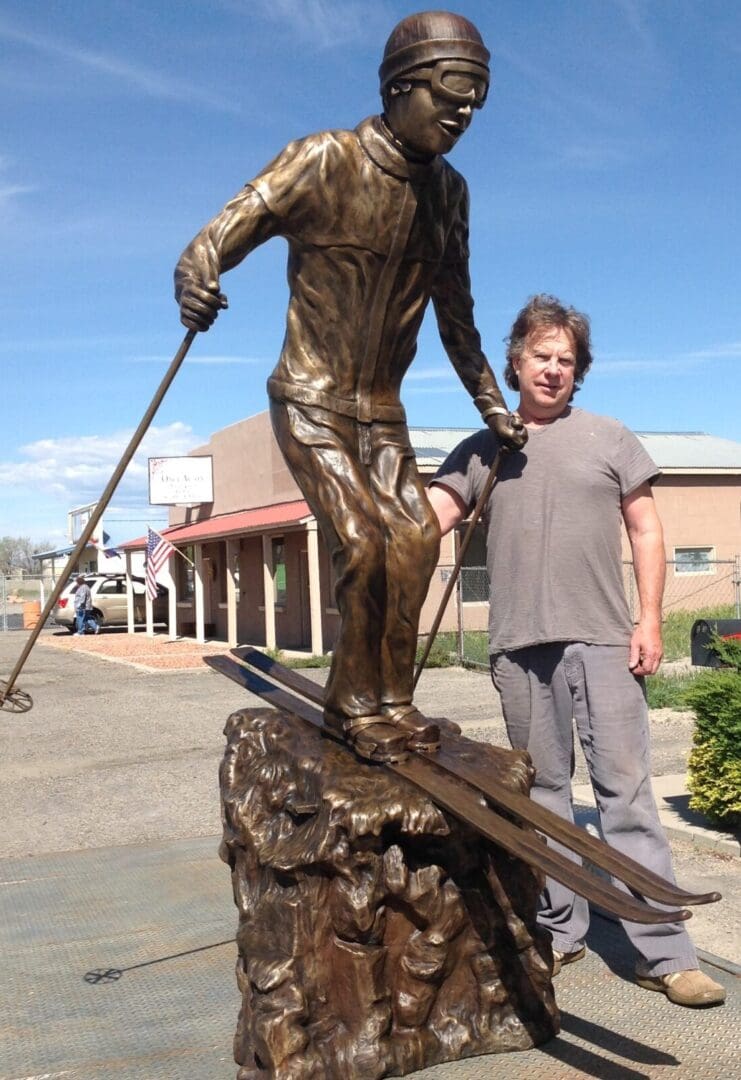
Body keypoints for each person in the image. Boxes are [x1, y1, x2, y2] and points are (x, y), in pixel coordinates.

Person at [174, 11, 525, 762]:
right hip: (309, 397)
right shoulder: (324, 160)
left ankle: (392, 702)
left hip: (382, 414)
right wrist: (198, 278)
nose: (464, 114)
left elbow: (456, 315)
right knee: (362, 544)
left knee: (415, 539)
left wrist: (493, 406)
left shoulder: (449, 195)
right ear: (400, 87)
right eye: (451, 93)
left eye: (477, 101)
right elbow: (216, 238)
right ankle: (350, 706)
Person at [427, 294, 725, 1008]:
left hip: (602, 639)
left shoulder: (610, 438)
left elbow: (647, 532)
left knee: (625, 798)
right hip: (518, 649)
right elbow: (428, 520)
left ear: (577, 370)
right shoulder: (484, 449)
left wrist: (648, 620)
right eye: (541, 356)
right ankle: (559, 935)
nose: (553, 370)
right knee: (545, 801)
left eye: (565, 360)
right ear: (514, 362)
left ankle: (664, 953)